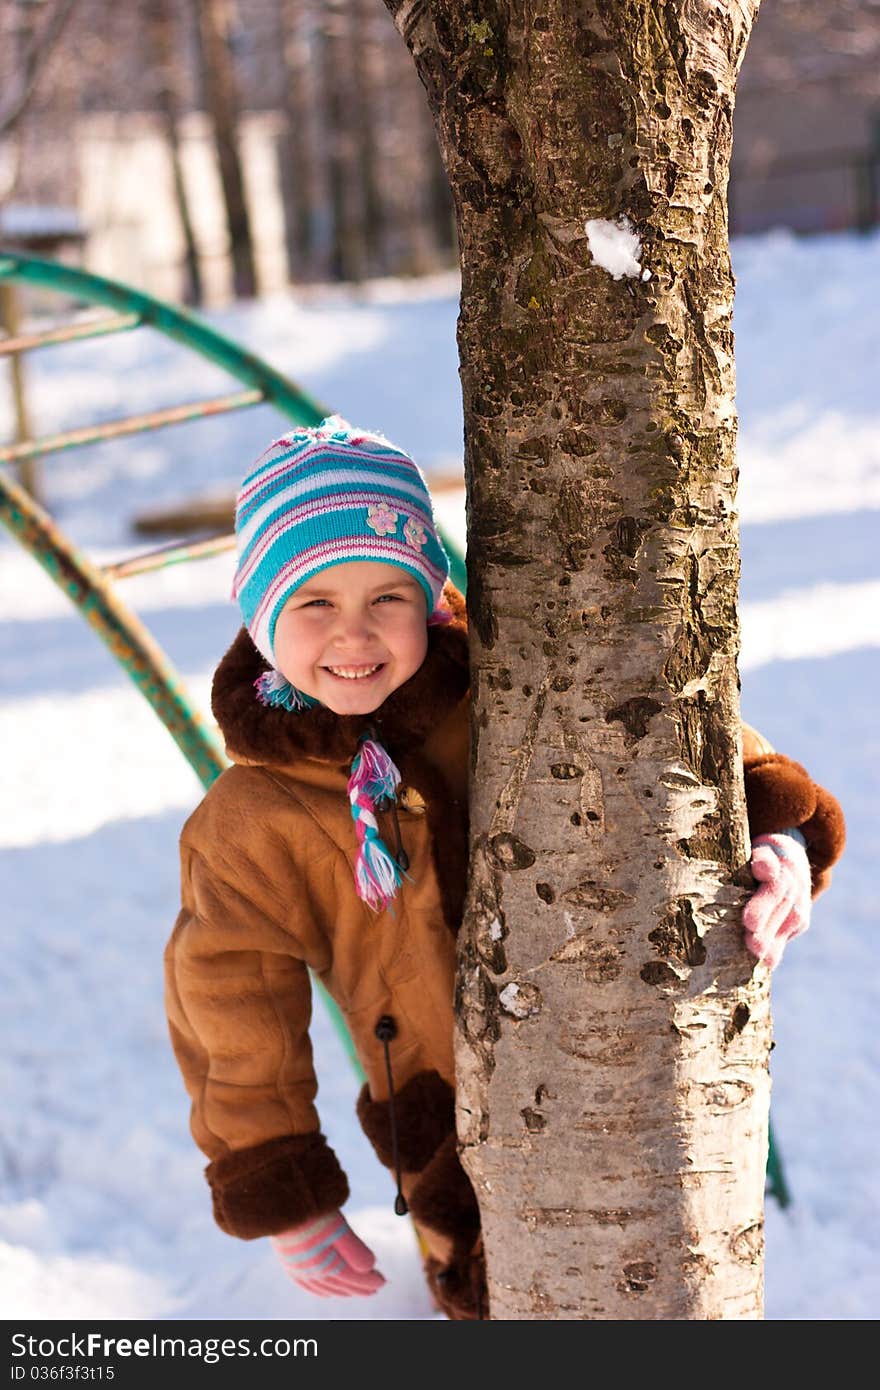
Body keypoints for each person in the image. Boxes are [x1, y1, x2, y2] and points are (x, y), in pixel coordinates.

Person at [163, 415, 845, 1319]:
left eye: (388, 598)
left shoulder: (506, 688)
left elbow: (663, 737)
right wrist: (282, 1185)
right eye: (314, 603)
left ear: (430, 596)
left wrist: (776, 832)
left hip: (623, 1061)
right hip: (447, 1123)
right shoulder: (253, 820)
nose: (354, 636)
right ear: (259, 615)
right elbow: (228, 1000)